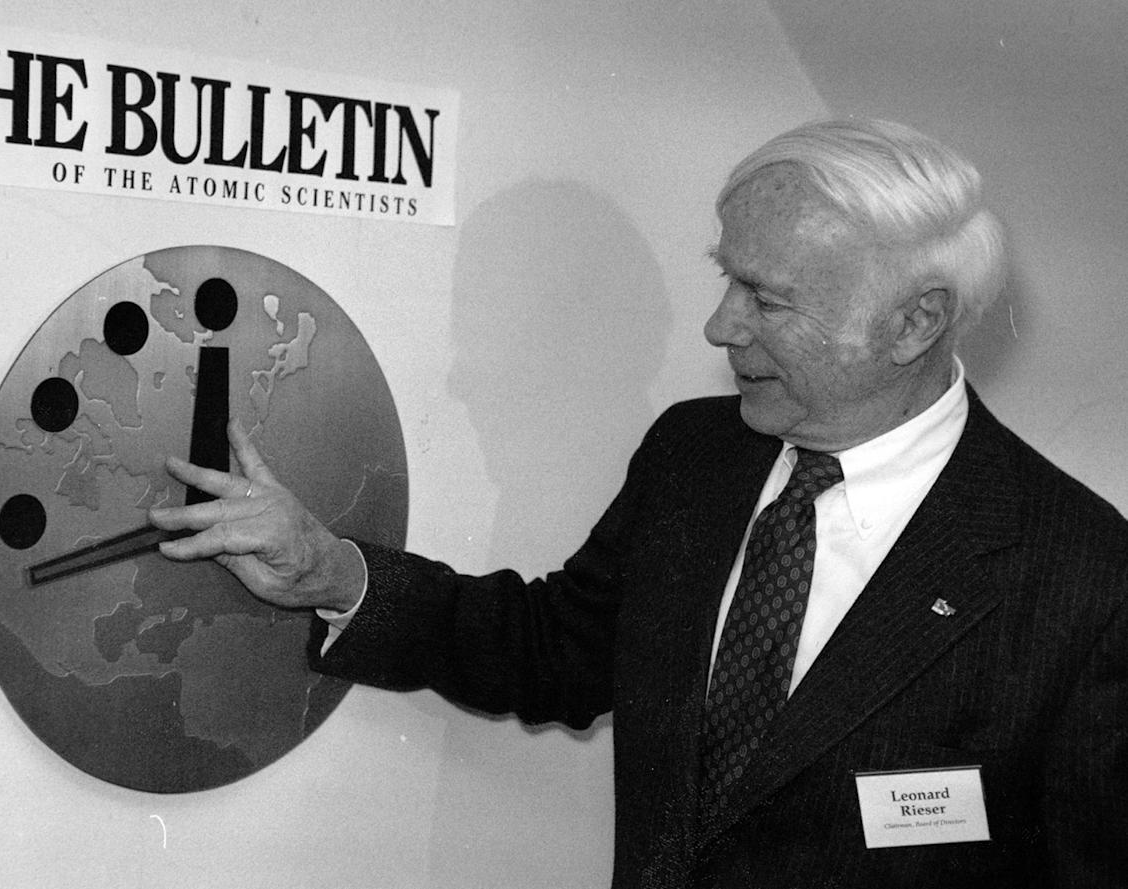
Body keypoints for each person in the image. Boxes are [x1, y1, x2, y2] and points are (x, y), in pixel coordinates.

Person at [149, 118, 1128, 888]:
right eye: (724, 277)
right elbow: (556, 649)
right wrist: (330, 568)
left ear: (915, 321)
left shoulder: (1085, 582)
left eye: (767, 297)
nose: (719, 324)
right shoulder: (696, 460)